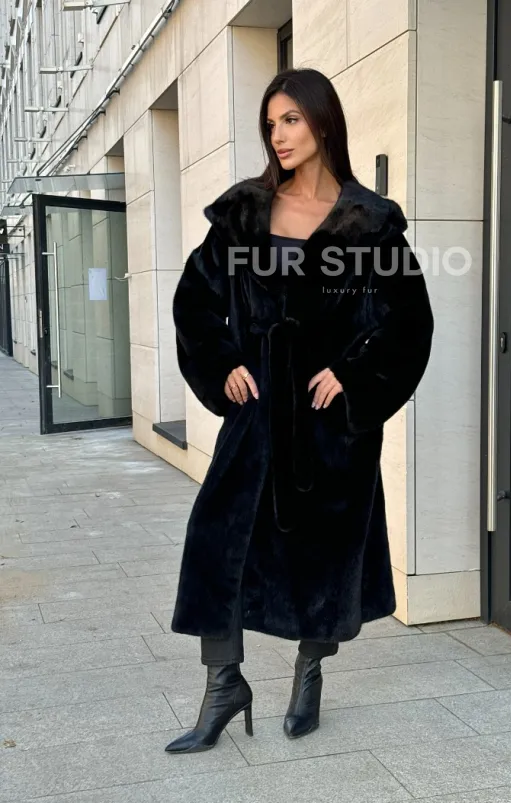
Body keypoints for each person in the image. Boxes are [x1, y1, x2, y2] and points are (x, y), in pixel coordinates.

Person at [165, 67, 434, 754]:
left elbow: (410, 323)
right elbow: (195, 300)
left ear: (322, 121)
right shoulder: (244, 213)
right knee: (215, 540)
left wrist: (352, 376)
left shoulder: (370, 223)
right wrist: (222, 361)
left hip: (329, 430)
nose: (278, 135)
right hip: (256, 417)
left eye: (290, 119)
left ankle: (310, 669)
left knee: (324, 558)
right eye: (271, 123)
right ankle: (224, 686)